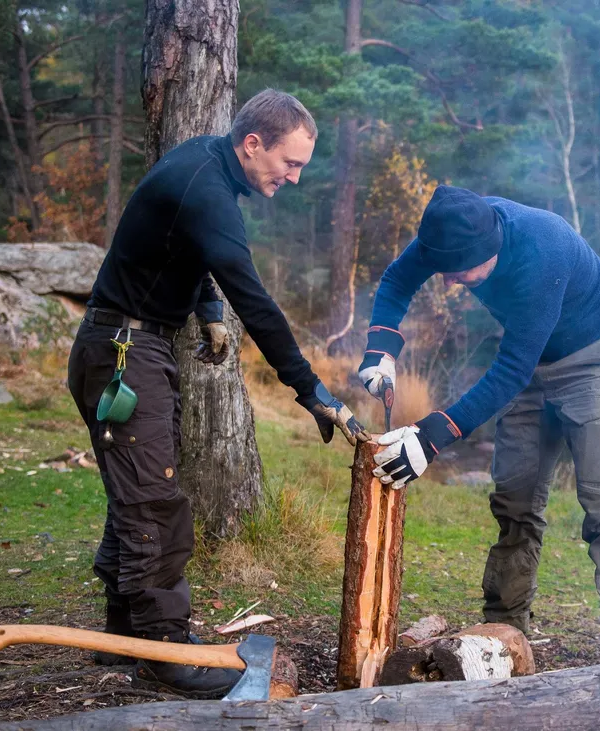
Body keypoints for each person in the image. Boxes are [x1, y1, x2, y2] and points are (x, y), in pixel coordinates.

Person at [68, 89, 369, 699]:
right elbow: (255, 303)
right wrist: (309, 389)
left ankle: (123, 634)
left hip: (127, 344)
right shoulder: (210, 192)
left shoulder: (204, 163)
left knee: (135, 490)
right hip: (124, 356)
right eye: (290, 163)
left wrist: (204, 307)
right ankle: (166, 651)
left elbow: (182, 242)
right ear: (253, 143)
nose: (295, 176)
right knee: (154, 503)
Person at [357, 185, 600, 660]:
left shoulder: (544, 249)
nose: (452, 283)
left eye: (460, 273)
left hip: (594, 357)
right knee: (515, 502)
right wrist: (381, 350)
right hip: (531, 364)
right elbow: (397, 279)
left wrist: (432, 437)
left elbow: (511, 369)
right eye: (446, 271)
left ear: (491, 250)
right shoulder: (451, 228)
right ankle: (503, 638)